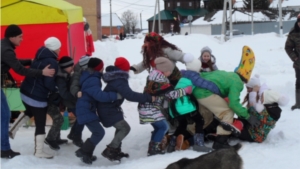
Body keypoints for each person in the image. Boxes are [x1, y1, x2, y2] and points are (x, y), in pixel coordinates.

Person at [181, 46, 260, 149]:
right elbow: (233, 103)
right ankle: (221, 140)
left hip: (196, 90)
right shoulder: (238, 82)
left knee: (206, 117)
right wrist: (247, 116)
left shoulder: (228, 74)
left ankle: (183, 134)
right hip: (205, 93)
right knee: (227, 112)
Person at [1, 24, 55, 159]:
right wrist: (41, 72)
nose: (22, 39)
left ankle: (4, 145)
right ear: (12, 37)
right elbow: (20, 70)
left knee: (4, 114)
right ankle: (4, 149)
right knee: (4, 115)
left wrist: (29, 61)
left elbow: (14, 62)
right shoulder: (7, 50)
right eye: (20, 37)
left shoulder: (3, 46)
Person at [98, 57, 155, 161]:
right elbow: (130, 95)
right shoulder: (119, 80)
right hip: (108, 109)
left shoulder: (116, 78)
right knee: (125, 128)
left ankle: (115, 151)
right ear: (124, 69)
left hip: (110, 108)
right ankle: (111, 150)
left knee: (121, 128)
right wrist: (149, 98)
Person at [138, 57, 193, 156]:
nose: (171, 73)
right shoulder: (161, 81)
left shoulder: (153, 76)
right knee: (164, 127)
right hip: (151, 108)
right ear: (165, 70)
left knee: (159, 127)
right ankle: (153, 149)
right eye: (170, 71)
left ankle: (153, 147)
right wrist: (185, 91)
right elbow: (170, 94)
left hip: (146, 107)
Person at [20, 37, 61, 158]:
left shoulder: (38, 55)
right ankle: (39, 151)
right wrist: (56, 89)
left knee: (28, 111)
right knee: (40, 123)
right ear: (54, 48)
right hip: (37, 97)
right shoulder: (52, 62)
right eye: (59, 48)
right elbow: (48, 83)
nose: (60, 50)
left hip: (25, 91)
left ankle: (13, 130)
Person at [75, 58, 119, 165]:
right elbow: (99, 96)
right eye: (102, 66)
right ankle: (83, 151)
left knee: (97, 132)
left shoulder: (91, 76)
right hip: (85, 110)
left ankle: (87, 155)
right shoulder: (93, 79)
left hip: (86, 108)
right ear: (99, 68)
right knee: (99, 132)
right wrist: (115, 95)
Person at [130, 32, 194, 86]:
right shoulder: (151, 52)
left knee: (173, 93)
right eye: (145, 42)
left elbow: (178, 55)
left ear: (153, 43)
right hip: (159, 77)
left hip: (172, 77)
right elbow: (145, 63)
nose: (145, 44)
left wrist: (187, 58)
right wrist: (136, 68)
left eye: (147, 42)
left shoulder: (166, 50)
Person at [238, 75, 289, 142]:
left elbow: (251, 111)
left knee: (234, 130)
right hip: (256, 131)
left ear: (267, 100)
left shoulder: (264, 110)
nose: (261, 99)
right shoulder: (273, 108)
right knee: (239, 121)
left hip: (254, 135)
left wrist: (253, 93)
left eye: (262, 97)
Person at [44, 56, 75, 150]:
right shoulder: (60, 78)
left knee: (58, 118)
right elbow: (64, 93)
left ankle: (57, 138)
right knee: (59, 119)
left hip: (55, 101)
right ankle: (50, 139)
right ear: (66, 67)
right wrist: (74, 98)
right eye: (71, 66)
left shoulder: (64, 74)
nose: (72, 68)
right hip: (50, 101)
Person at [68, 55, 91, 147]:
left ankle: (73, 134)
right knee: (82, 118)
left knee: (80, 119)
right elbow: (74, 86)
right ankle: (76, 137)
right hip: (73, 101)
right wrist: (77, 93)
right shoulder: (78, 74)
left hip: (76, 101)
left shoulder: (83, 72)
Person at [285, 14, 300, 111]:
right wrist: (296, 58)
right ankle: (298, 104)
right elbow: (288, 47)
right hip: (299, 64)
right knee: (299, 82)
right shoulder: (293, 32)